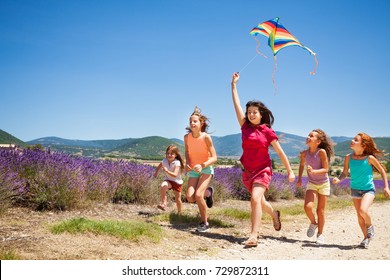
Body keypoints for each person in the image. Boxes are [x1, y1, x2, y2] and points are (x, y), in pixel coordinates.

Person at [231, 72, 295, 247]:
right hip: (247, 170)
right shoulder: (244, 127)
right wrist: (234, 85)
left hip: (262, 170)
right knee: (260, 200)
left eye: (254, 112)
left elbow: (280, 153)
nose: (251, 114)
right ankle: (274, 215)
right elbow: (236, 105)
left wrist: (290, 171)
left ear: (261, 115)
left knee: (255, 198)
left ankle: (253, 235)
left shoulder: (267, 131)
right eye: (249, 112)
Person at [333, 132, 390, 248]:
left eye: (356, 140)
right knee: (359, 216)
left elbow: (382, 171)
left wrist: (386, 186)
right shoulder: (348, 157)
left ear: (363, 145)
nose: (352, 141)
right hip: (355, 189)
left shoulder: (370, 158)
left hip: (368, 189)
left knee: (363, 210)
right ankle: (365, 238)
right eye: (353, 139)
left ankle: (370, 227)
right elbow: (344, 173)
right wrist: (339, 179)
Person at [297, 129, 334, 244]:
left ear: (318, 142)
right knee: (308, 207)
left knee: (320, 211)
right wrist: (299, 179)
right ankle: (313, 223)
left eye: (311, 136)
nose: (308, 137)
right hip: (312, 183)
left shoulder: (321, 152)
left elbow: (326, 169)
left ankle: (320, 234)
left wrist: (314, 171)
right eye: (308, 135)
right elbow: (301, 165)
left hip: (323, 183)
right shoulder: (304, 153)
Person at [185, 106, 217, 232]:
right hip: (193, 169)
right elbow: (187, 152)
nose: (192, 123)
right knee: (190, 197)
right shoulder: (187, 137)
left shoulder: (206, 137)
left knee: (198, 195)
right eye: (190, 121)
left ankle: (204, 223)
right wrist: (188, 163)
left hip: (206, 169)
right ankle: (208, 193)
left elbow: (214, 158)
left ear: (201, 123)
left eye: (195, 121)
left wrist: (203, 165)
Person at [154, 145, 185, 213]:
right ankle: (163, 203)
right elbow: (160, 165)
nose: (169, 155)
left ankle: (180, 212)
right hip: (168, 180)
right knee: (163, 185)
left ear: (176, 155)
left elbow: (175, 175)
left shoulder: (177, 162)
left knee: (177, 199)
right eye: (168, 153)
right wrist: (156, 172)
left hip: (177, 182)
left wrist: (167, 171)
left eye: (171, 154)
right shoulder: (164, 160)